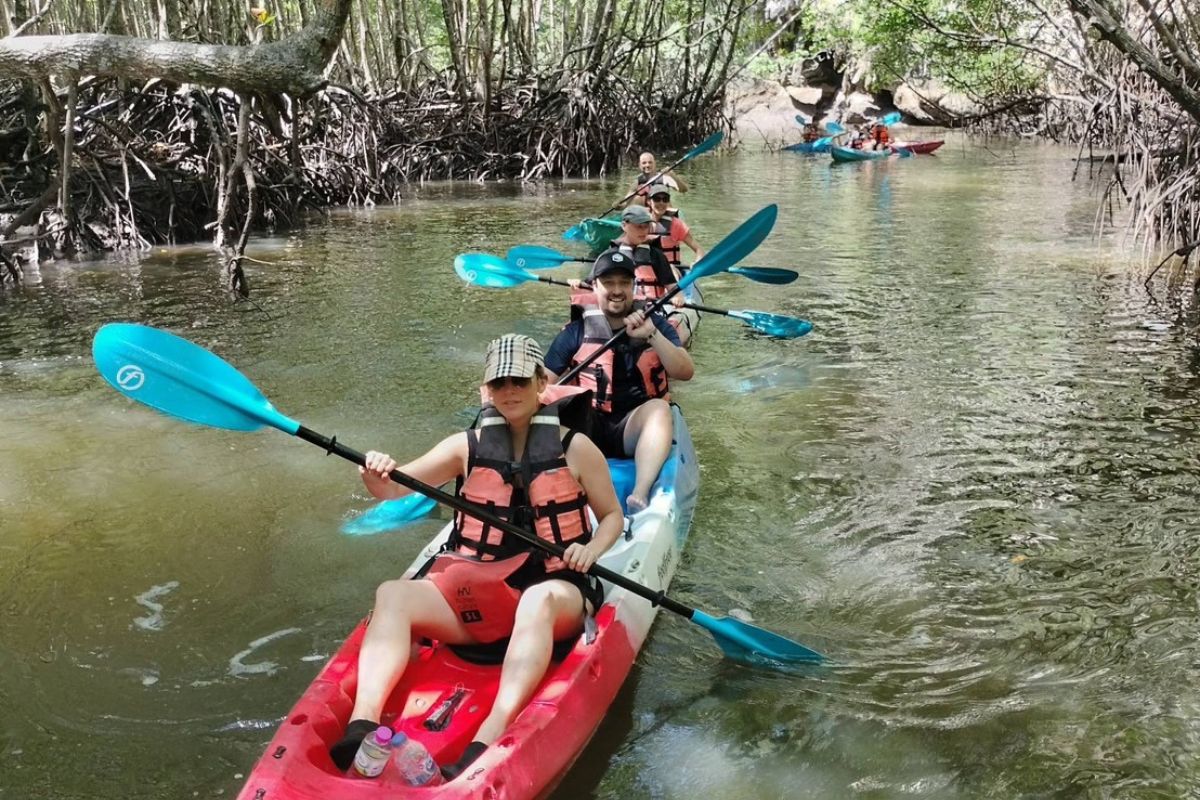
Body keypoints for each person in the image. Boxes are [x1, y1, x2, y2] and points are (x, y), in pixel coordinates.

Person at [328, 334, 624, 780]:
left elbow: (612, 518)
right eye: (499, 381)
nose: (509, 390)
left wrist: (590, 549)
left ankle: (491, 732)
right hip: (481, 597)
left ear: (541, 381)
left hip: (557, 593)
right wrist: (373, 472)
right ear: (487, 388)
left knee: (537, 601)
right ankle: (362, 722)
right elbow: (392, 488)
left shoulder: (575, 448)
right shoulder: (465, 446)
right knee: (393, 594)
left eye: (520, 380)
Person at [546, 251, 695, 513]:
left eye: (624, 283)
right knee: (541, 416)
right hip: (586, 429)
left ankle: (640, 493)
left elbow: (685, 371)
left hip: (632, 427)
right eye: (609, 283)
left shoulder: (655, 324)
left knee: (661, 410)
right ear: (595, 286)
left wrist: (652, 336)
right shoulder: (575, 332)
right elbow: (542, 385)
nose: (617, 290)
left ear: (633, 286)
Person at [567, 204, 680, 302]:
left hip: (652, 308)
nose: (643, 231)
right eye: (638, 226)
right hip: (622, 306)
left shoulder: (656, 255)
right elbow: (591, 284)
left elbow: (671, 286)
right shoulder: (609, 256)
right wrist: (577, 283)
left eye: (646, 227)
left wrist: (677, 297)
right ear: (624, 226)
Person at [644, 183, 705, 270]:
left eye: (665, 199)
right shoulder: (640, 223)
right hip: (648, 269)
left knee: (671, 270)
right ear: (649, 201)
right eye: (657, 199)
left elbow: (699, 250)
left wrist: (697, 262)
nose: (661, 203)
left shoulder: (676, 224)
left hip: (672, 269)